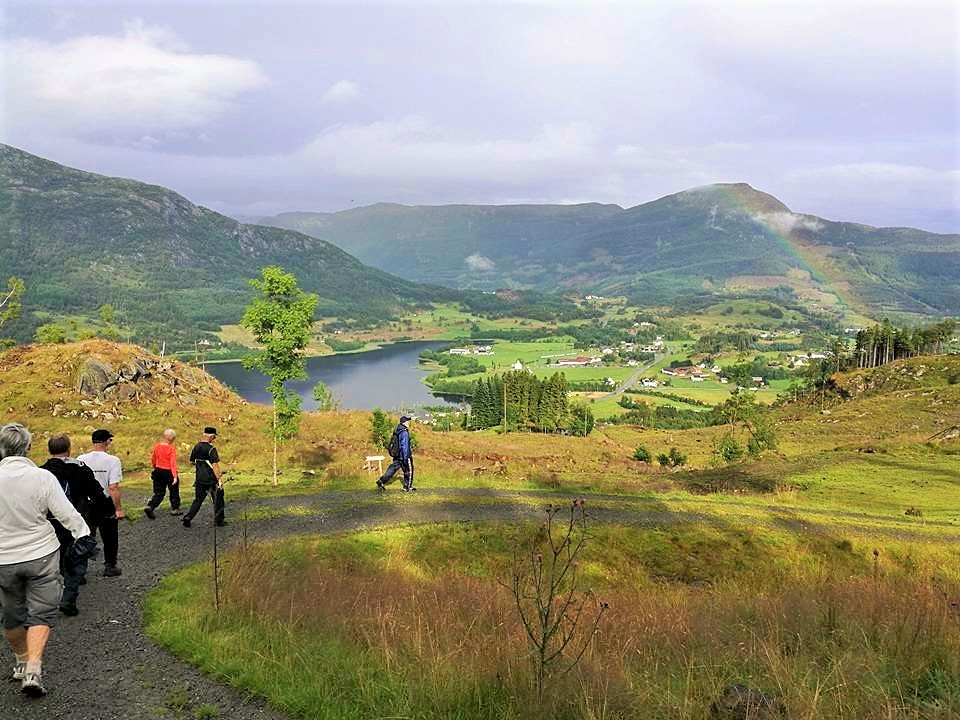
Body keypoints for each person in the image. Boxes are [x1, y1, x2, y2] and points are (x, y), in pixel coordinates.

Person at [0, 423, 91, 697]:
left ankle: (20, 661)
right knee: (41, 612)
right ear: (28, 447)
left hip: (3, 557)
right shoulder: (41, 477)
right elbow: (66, 513)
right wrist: (82, 534)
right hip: (41, 553)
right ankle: (34, 669)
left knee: (12, 614)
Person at [40, 434, 116, 617]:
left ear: (49, 450)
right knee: (77, 555)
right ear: (69, 448)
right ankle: (69, 596)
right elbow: (96, 491)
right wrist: (109, 509)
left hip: (50, 521)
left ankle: (54, 589)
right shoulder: (79, 469)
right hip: (77, 517)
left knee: (56, 553)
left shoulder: (41, 472)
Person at [76, 429, 123, 577]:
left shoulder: (81, 459)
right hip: (104, 502)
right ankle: (110, 566)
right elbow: (113, 487)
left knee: (84, 536)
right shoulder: (113, 460)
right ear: (107, 442)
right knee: (110, 536)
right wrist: (118, 508)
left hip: (86, 503)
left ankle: (80, 571)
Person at [182, 426, 225, 528]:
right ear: (211, 436)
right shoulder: (211, 449)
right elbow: (215, 466)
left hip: (199, 479)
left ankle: (188, 517)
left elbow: (192, 461)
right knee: (218, 499)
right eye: (214, 437)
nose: (214, 439)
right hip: (211, 479)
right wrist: (219, 480)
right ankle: (219, 521)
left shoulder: (196, 447)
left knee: (198, 500)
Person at [144, 428, 180, 519]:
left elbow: (153, 458)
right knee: (174, 491)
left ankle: (151, 506)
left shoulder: (157, 446)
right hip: (169, 472)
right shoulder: (171, 448)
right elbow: (172, 463)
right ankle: (175, 509)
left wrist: (155, 467)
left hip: (158, 470)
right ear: (171, 438)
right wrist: (175, 476)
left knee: (159, 493)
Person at [377, 415, 415, 492]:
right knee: (409, 470)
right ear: (404, 422)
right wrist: (406, 457)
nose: (408, 423)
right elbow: (404, 445)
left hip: (397, 455)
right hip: (404, 455)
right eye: (407, 421)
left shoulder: (397, 429)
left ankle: (381, 481)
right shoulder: (404, 432)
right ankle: (407, 487)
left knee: (392, 469)